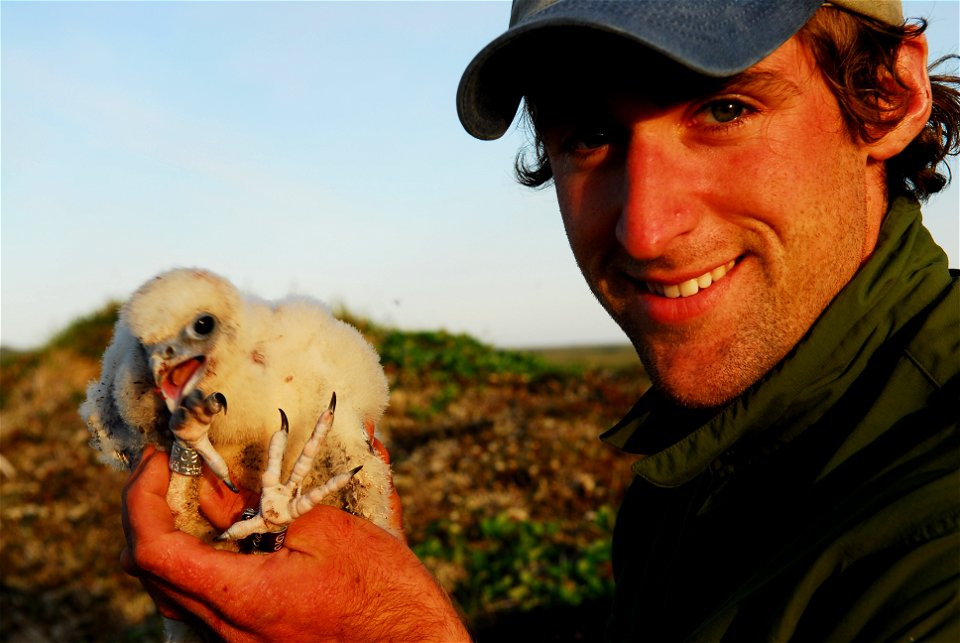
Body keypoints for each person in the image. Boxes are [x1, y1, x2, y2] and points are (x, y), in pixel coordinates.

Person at [121, 0, 959, 640]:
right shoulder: (701, 460)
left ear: (888, 96)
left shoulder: (935, 532)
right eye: (589, 135)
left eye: (724, 110)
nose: (645, 230)